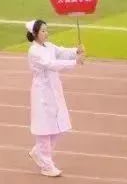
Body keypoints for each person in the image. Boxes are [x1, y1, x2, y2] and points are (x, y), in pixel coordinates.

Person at [26, 19, 84, 178]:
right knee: (45, 129)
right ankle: (46, 165)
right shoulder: (34, 51)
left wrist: (75, 51)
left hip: (54, 90)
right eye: (43, 31)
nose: (46, 33)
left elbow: (61, 52)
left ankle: (38, 152)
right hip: (42, 93)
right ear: (35, 34)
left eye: (46, 30)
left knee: (60, 125)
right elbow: (51, 64)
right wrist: (74, 62)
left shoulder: (48, 46)